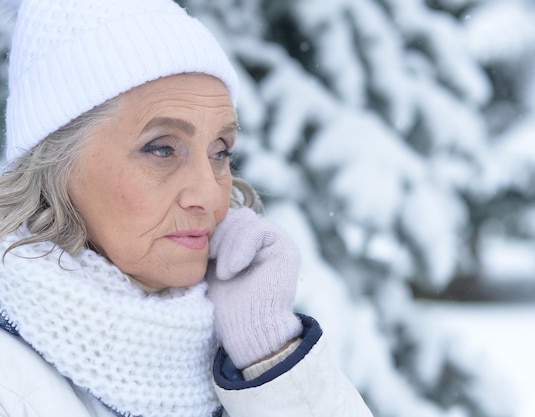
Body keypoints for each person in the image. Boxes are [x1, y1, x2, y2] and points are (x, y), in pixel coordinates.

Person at [0, 1, 374, 416]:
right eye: (162, 149)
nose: (210, 195)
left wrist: (267, 352)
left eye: (220, 152)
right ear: (55, 164)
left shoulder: (235, 361)